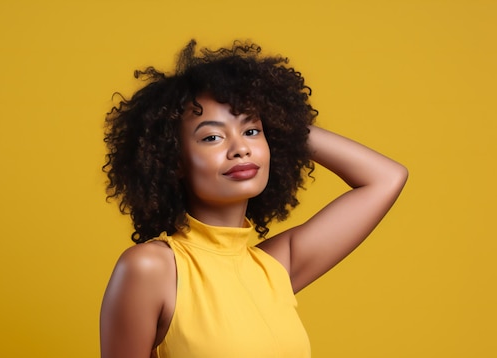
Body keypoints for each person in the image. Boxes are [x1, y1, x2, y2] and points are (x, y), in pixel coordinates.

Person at [99, 39, 408, 358]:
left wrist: (282, 123)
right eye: (212, 137)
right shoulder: (151, 268)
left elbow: (386, 177)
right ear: (173, 159)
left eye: (251, 132)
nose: (240, 148)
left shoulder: (275, 267)